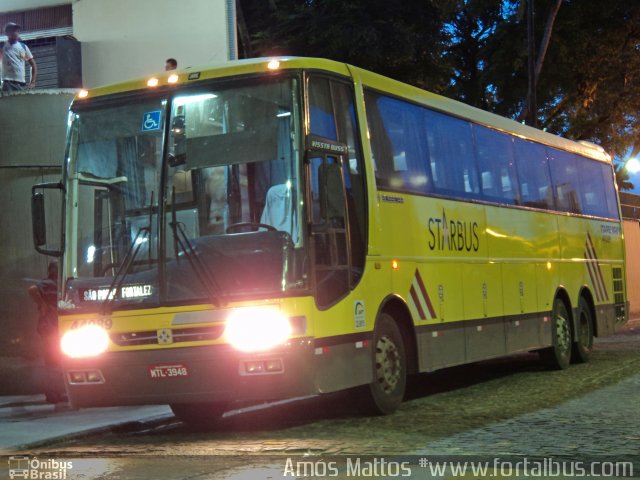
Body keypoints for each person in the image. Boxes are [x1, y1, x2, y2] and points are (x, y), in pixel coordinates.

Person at [28, 261, 66, 404]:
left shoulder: (59, 284)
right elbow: (32, 289)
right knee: (53, 362)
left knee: (54, 361)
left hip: (54, 328)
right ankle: (53, 394)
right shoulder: (49, 283)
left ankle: (56, 393)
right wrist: (43, 306)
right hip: (50, 328)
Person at [0, 22, 37, 92]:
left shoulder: (23, 47)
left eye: (17, 30)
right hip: (8, 84)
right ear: (7, 33)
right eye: (13, 31)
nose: (16, 32)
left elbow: (33, 64)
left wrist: (33, 82)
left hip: (21, 84)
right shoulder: (2, 47)